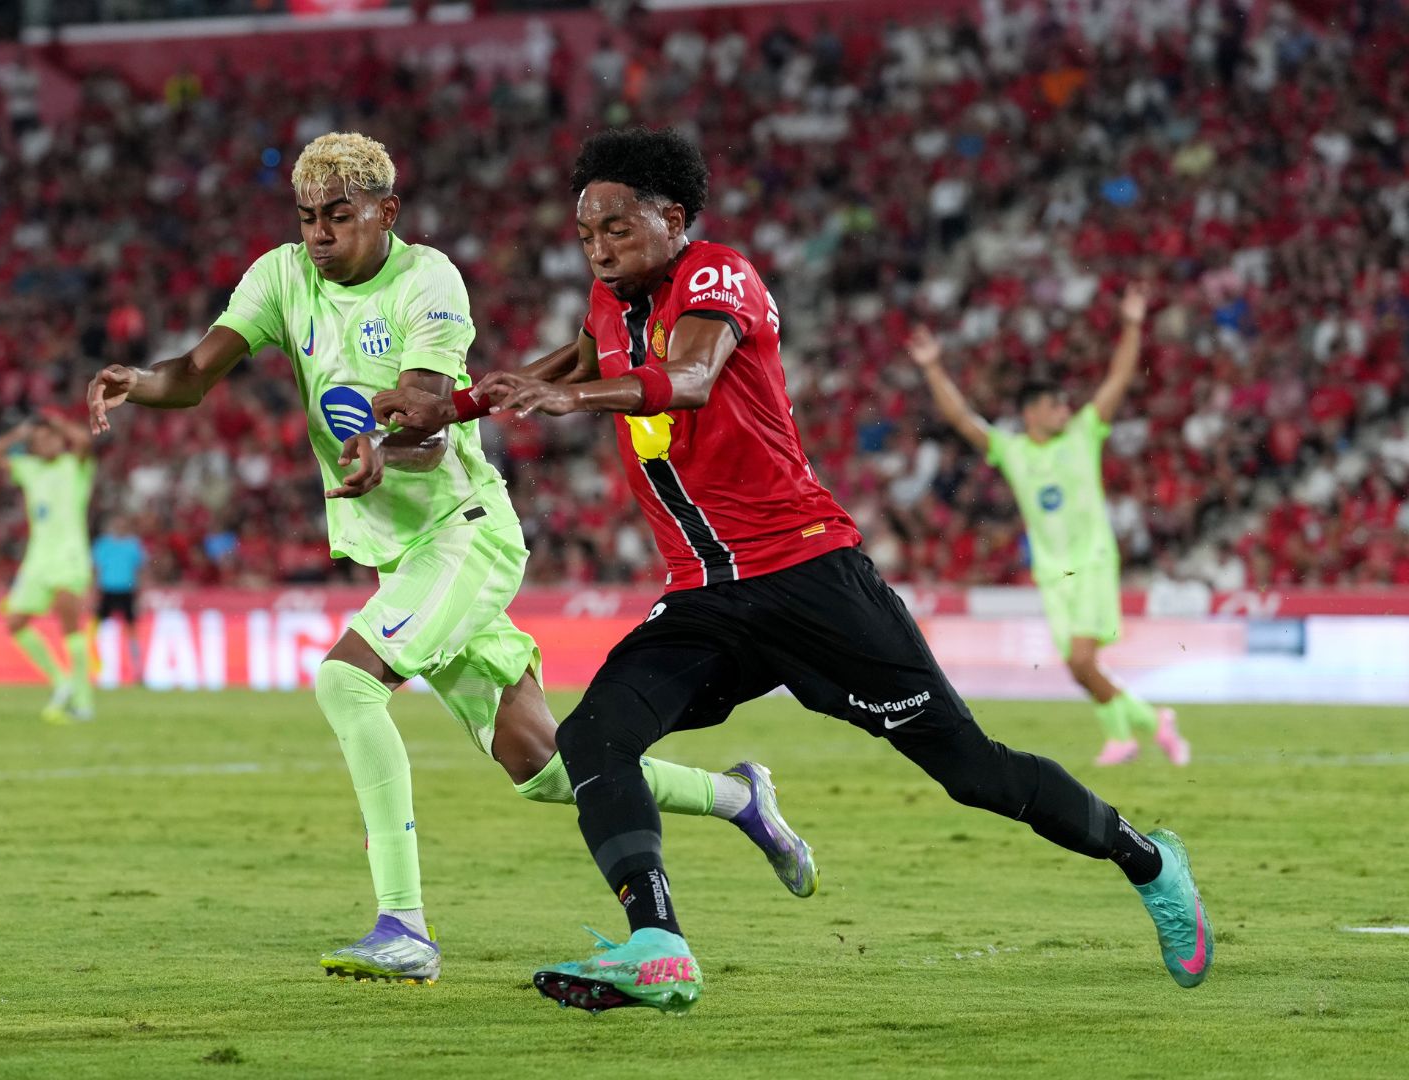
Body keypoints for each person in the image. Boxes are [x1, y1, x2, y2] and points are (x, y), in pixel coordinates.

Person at [373, 127, 1211, 1014]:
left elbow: (688, 377)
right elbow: (571, 362)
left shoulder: (717, 273)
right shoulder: (610, 302)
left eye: (616, 229)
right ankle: (658, 943)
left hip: (811, 576)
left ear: (672, 216)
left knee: (974, 772)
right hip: (706, 600)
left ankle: (1149, 861)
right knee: (593, 738)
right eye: (586, 236)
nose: (600, 249)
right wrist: (446, 409)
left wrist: (567, 399)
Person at [86, 132, 815, 987]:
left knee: (347, 681)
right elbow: (196, 372)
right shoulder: (282, 275)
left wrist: (377, 452)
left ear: (386, 214)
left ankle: (404, 928)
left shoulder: (428, 280)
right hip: (404, 554)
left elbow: (432, 429)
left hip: (465, 530)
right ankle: (741, 799)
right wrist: (141, 379)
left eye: (340, 217)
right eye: (308, 218)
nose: (319, 234)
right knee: (543, 766)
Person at [907, 301, 1192, 766]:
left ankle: (1150, 722)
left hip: (1093, 560)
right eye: (1055, 403)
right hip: (1052, 570)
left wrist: (1132, 323)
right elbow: (963, 419)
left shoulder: (1083, 433)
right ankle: (1129, 731)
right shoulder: (1013, 450)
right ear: (1031, 414)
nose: (1066, 408)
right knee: (1081, 669)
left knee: (1082, 662)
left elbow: (1117, 380)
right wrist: (934, 367)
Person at [0, 412, 97, 724]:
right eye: (39, 440)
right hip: (37, 558)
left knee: (70, 624)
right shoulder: (28, 469)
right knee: (15, 622)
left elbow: (83, 439)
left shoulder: (75, 465)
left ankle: (83, 702)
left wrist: (56, 422)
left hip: (69, 556)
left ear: (60, 439)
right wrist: (17, 434)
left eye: (51, 437)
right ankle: (61, 681)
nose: (45, 443)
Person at [91, 514, 146, 681]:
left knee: (131, 630)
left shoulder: (133, 545)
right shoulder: (103, 545)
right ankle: (95, 668)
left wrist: (140, 593)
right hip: (107, 590)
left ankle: (137, 669)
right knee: (96, 631)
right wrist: (94, 592)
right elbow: (96, 569)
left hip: (127, 591)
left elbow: (140, 570)